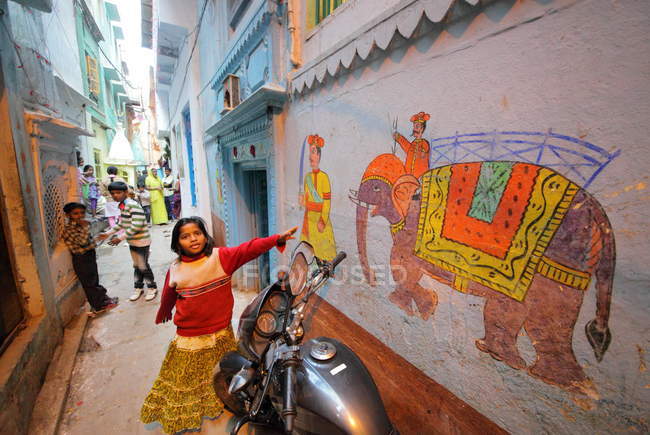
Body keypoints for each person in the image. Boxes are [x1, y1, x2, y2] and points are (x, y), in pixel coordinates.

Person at [140, 217, 297, 434]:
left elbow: (248, 249)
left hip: (221, 332)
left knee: (220, 372)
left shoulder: (221, 257)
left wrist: (276, 239)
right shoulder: (175, 269)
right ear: (177, 244)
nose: (193, 239)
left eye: (197, 233)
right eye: (185, 236)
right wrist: (164, 311)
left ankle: (220, 400)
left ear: (205, 236)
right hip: (190, 337)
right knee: (187, 377)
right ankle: (188, 413)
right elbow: (168, 294)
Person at [97, 181, 158, 302]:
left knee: (143, 266)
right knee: (137, 266)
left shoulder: (132, 204)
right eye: (112, 193)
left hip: (142, 241)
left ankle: (152, 288)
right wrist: (107, 233)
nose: (115, 195)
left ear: (126, 192)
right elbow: (123, 223)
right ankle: (138, 288)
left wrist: (120, 238)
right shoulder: (122, 205)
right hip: (133, 242)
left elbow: (137, 225)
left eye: (118, 193)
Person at [61, 202, 118, 313]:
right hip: (81, 258)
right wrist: (85, 227)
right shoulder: (69, 229)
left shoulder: (79, 226)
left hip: (88, 255)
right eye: (75, 213)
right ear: (68, 215)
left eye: (82, 213)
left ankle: (103, 300)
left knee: (94, 279)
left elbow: (88, 241)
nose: (80, 216)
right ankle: (99, 306)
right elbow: (82, 242)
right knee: (90, 283)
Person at [299, 134, 337, 261]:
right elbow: (305, 202)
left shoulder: (324, 178)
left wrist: (322, 220)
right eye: (310, 152)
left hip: (321, 221)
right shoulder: (307, 178)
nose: (311, 157)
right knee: (309, 257)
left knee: (324, 256)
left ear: (319, 156)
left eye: (314, 152)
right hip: (309, 221)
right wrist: (302, 201)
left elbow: (327, 202)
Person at [393, 111, 431, 179]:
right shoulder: (414, 143)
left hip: (420, 178)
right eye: (414, 126)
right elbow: (408, 149)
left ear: (422, 129)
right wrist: (399, 138)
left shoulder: (424, 143)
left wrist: (399, 138)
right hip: (409, 177)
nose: (414, 128)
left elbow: (416, 151)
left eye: (417, 126)